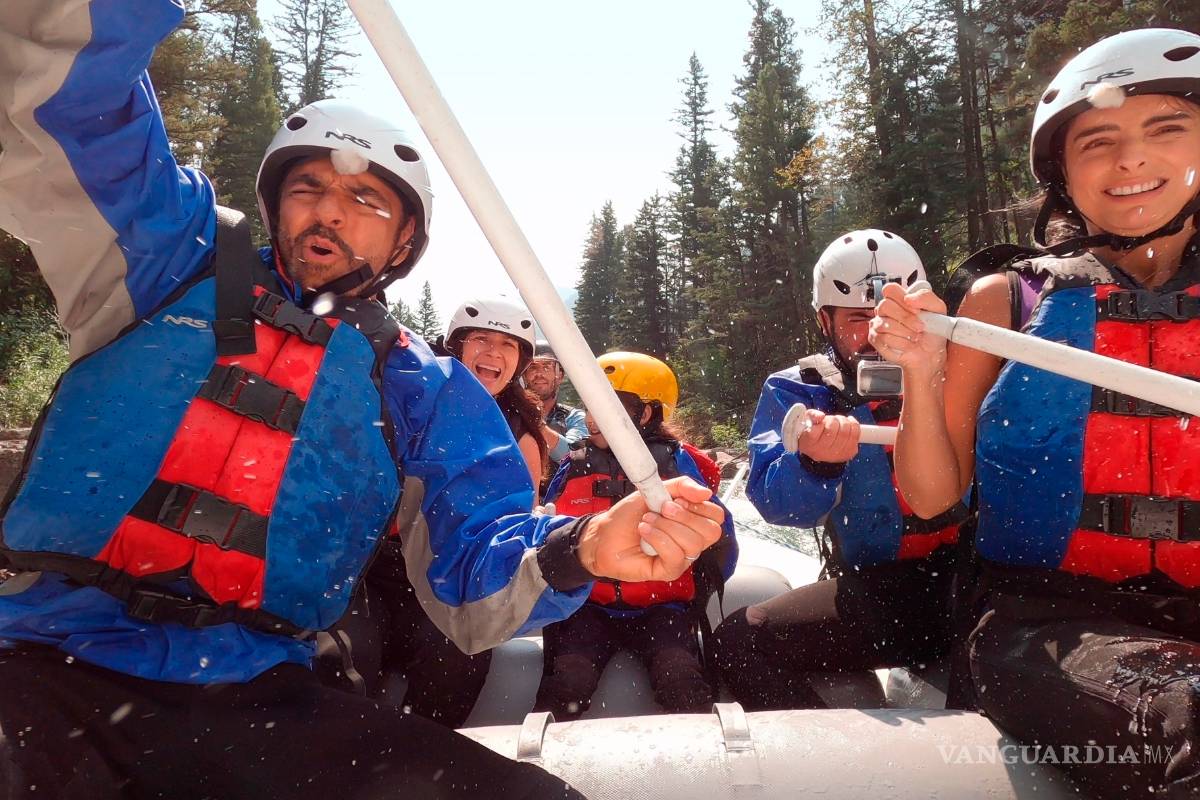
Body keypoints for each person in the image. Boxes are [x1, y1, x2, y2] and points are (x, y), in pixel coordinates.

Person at [0, 3, 725, 798]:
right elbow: (66, 98)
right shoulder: (164, 255)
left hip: (252, 696)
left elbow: (475, 583)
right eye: (308, 186)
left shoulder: (423, 383)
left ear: (404, 245)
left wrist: (580, 549)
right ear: (276, 204)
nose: (332, 209)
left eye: (370, 202)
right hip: (41, 660)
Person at [870, 28, 1200, 799]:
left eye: (1166, 130)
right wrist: (921, 374)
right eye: (1098, 142)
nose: (1129, 161)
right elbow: (929, 496)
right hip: (1044, 621)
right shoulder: (1006, 301)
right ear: (1063, 172)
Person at [709, 231, 964, 710]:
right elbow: (779, 507)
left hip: (967, 580)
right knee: (739, 643)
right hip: (879, 593)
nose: (874, 333)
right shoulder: (799, 390)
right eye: (858, 318)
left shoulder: (963, 369)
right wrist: (813, 464)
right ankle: (831, 752)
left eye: (889, 316)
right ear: (824, 321)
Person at [533, 353, 737, 720]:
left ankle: (699, 760)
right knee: (567, 681)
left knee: (680, 675)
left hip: (663, 607)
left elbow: (722, 546)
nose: (593, 417)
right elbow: (547, 538)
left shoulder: (678, 465)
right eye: (590, 405)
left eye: (608, 406)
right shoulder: (573, 465)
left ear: (645, 414)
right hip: (587, 607)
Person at [443, 296, 546, 497]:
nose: (494, 352)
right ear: (459, 347)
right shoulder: (424, 405)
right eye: (482, 338)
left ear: (519, 362)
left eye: (507, 344)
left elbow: (523, 520)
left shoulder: (521, 438)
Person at [524, 340, 589, 471]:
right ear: (524, 376)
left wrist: (536, 425)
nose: (539, 374)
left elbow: (575, 456)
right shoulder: (509, 414)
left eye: (547, 367)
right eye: (533, 367)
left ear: (560, 376)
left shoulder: (575, 417)